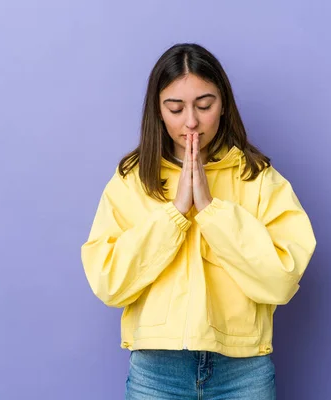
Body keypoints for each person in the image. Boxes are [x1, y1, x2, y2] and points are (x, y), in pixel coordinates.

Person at [81, 43, 316, 399]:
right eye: (175, 108)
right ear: (158, 111)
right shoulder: (131, 180)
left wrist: (210, 209)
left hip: (243, 369)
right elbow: (108, 282)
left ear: (223, 106)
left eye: (204, 105)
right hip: (157, 370)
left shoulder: (258, 177)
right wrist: (175, 213)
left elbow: (281, 280)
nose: (191, 121)